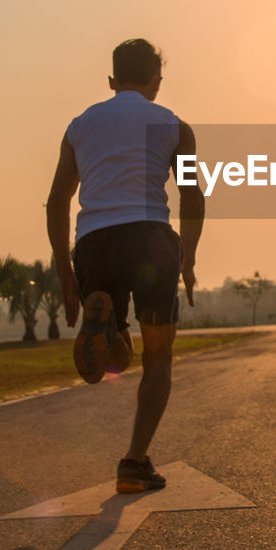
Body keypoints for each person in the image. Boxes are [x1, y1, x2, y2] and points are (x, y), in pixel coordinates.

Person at [46, 39, 203, 493]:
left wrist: (64, 269)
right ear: (156, 82)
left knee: (117, 355)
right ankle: (134, 463)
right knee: (157, 354)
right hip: (150, 238)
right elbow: (192, 195)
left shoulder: (81, 126)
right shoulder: (173, 125)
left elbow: (59, 198)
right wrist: (187, 257)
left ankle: (107, 320)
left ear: (112, 81)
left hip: (94, 239)